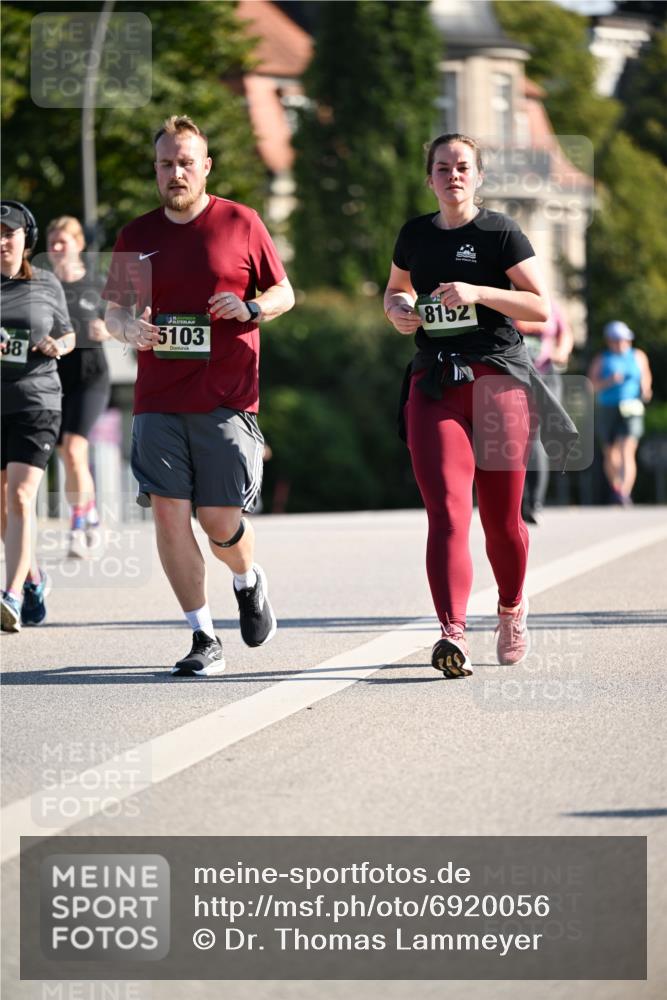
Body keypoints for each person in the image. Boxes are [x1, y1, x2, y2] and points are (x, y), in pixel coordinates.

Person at [102, 115, 294, 677]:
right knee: (168, 516)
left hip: (227, 396)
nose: (176, 173)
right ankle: (202, 636)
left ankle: (247, 578)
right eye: (166, 164)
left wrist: (252, 307)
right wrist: (127, 329)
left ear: (205, 166)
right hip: (158, 397)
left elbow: (283, 291)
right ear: (156, 170)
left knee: (217, 520)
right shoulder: (136, 236)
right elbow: (114, 311)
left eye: (186, 162)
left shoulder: (241, 221)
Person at [384, 133, 577, 678]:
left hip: (498, 382)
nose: (453, 176)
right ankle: (453, 633)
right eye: (442, 168)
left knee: (500, 519)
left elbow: (541, 307)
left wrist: (478, 292)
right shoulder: (415, 235)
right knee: (446, 513)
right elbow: (396, 289)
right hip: (435, 383)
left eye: (462, 167)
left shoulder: (500, 232)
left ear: (478, 176)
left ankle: (512, 607)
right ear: (429, 178)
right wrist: (398, 309)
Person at [1, 200, 75, 632]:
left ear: (25, 239)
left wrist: (58, 345)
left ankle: (8, 594)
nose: (1, 241)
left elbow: (67, 332)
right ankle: (33, 578)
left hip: (36, 400)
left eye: (8, 233)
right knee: (1, 508)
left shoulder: (46, 283)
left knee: (22, 497)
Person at [47, 216, 111, 557]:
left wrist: (110, 329)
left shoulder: (97, 284)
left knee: (73, 450)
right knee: (70, 457)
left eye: (64, 242)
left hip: (91, 377)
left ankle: (78, 526)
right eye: (52, 242)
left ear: (78, 245)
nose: (57, 248)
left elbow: (121, 322)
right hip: (55, 380)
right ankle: (93, 517)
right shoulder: (42, 288)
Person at [516, 299, 574, 524]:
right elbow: (521, 324)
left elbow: (565, 332)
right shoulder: (507, 298)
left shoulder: (551, 305)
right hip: (516, 374)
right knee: (515, 439)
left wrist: (561, 350)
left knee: (536, 437)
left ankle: (534, 503)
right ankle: (518, 502)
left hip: (546, 375)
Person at [588, 321, 652, 505]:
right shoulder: (602, 359)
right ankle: (616, 487)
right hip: (608, 408)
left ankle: (624, 492)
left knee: (627, 449)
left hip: (632, 408)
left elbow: (646, 375)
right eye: (617, 340)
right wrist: (608, 381)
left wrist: (646, 389)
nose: (622, 343)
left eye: (625, 339)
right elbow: (591, 386)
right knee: (610, 452)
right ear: (610, 341)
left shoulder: (638, 356)